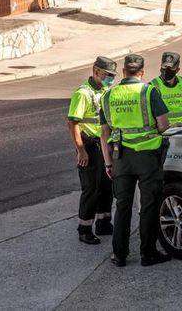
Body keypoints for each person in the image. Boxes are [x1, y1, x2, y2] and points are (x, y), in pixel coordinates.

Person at [100, 54, 172, 267]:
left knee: (122, 206)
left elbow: (104, 133)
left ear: (123, 72)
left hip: (120, 157)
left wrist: (107, 163)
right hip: (148, 157)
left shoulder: (108, 95)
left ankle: (119, 255)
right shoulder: (148, 91)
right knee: (148, 206)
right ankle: (147, 254)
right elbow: (164, 125)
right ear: (141, 72)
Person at [67, 56, 117, 245]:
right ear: (96, 71)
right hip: (89, 146)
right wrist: (81, 151)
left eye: (112, 75)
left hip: (104, 145)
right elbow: (72, 123)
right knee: (91, 189)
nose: (110, 79)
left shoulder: (105, 90)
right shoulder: (83, 93)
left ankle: (104, 223)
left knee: (106, 187)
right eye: (107, 75)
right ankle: (85, 228)